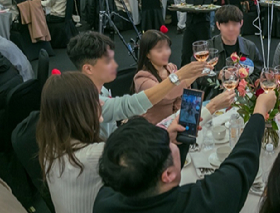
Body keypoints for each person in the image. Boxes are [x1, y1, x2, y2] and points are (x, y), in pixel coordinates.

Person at [91, 92, 277, 213]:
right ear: (168, 175)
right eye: (167, 145)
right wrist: (259, 111)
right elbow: (242, 162)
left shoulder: (104, 207)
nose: (170, 142)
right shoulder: (203, 209)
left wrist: (171, 141)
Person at [66, 32, 208, 137]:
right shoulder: (90, 101)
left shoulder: (101, 89)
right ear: (88, 68)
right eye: (108, 61)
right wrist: (179, 75)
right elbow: (131, 105)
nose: (116, 65)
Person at [37, 72, 106, 213]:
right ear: (81, 111)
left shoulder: (50, 149)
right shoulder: (95, 155)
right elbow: (151, 159)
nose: (101, 103)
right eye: (95, 99)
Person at [196, 5, 263, 99]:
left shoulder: (250, 47)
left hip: (244, 99)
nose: (231, 29)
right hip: (214, 98)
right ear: (218, 25)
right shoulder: (207, 49)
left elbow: (258, 73)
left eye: (235, 24)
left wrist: (243, 81)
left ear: (241, 23)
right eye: (226, 25)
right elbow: (197, 76)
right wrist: (219, 75)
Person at [181, 0, 214, 66]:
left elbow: (206, 7)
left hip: (202, 24)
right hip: (190, 23)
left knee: (203, 54)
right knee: (185, 53)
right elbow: (187, 4)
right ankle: (184, 78)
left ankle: (204, 79)